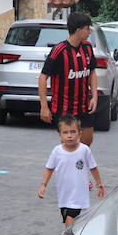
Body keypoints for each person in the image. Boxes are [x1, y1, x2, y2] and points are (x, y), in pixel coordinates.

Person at [38, 11, 99, 147]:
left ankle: (80, 167)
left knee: (87, 142)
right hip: (63, 109)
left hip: (83, 106)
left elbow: (92, 72)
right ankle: (68, 167)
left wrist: (94, 96)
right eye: (87, 29)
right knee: (70, 144)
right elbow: (43, 77)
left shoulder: (88, 48)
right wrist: (44, 107)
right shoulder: (59, 51)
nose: (89, 32)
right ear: (78, 30)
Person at [38, 115, 105, 225]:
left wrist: (100, 184)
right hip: (64, 193)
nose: (69, 136)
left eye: (73, 132)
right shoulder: (57, 151)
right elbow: (49, 168)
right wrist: (43, 185)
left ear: (80, 133)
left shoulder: (84, 150)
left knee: (70, 220)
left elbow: (93, 167)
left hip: (78, 193)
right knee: (68, 222)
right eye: (65, 132)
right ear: (60, 135)